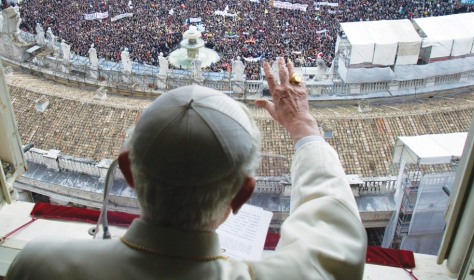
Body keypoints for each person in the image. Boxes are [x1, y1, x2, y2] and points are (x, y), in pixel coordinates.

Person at [5, 58, 366, 279]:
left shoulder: (41, 265)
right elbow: (333, 239)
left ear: (129, 173)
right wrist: (303, 128)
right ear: (243, 194)